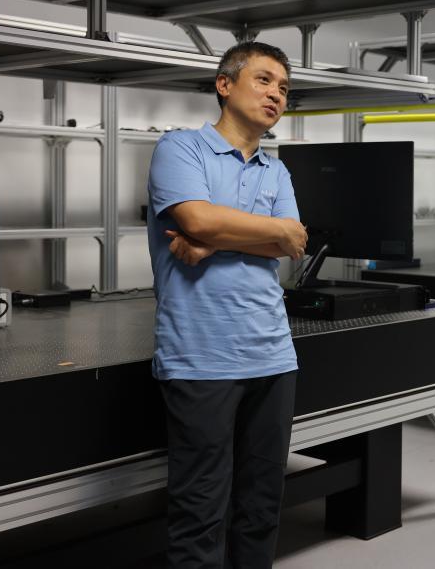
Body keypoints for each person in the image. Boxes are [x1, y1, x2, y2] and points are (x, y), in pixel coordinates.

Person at [146, 41, 308, 568]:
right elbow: (196, 220)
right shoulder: (180, 148)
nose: (276, 94)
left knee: (261, 509)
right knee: (200, 512)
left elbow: (293, 242)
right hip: (200, 358)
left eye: (283, 88)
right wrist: (246, 231)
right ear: (224, 85)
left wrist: (215, 240)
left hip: (273, 356)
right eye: (263, 80)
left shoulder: (276, 170)